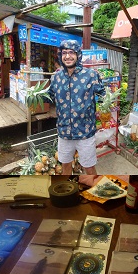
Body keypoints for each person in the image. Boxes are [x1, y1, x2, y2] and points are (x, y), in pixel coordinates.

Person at [47, 40, 105, 175]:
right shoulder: (56, 77)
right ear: (60, 55)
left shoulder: (91, 75)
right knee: (65, 165)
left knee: (89, 168)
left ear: (78, 54)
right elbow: (49, 96)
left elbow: (104, 95)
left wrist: (106, 105)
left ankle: (95, 189)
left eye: (71, 53)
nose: (68, 56)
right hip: (64, 131)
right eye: (64, 53)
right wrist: (33, 95)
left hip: (85, 132)